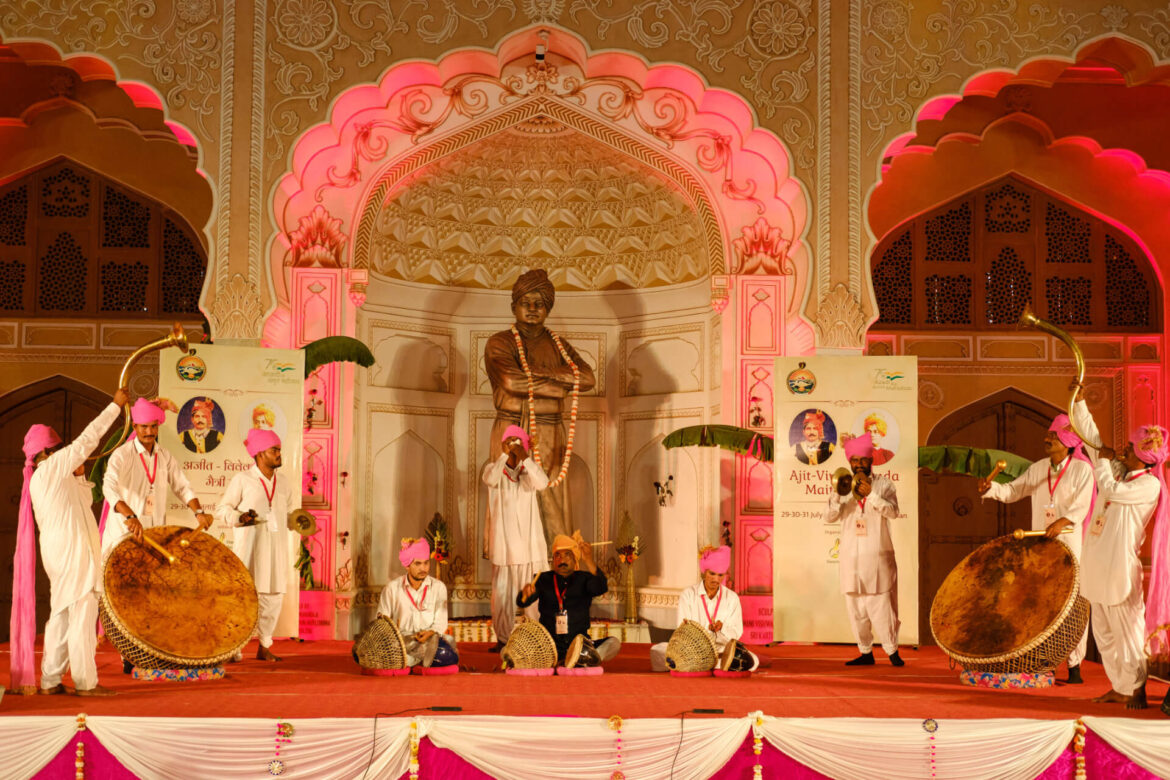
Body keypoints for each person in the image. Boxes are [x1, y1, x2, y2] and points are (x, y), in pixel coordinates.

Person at [10, 388, 128, 697]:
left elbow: (85, 500)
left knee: (62, 612)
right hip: (72, 553)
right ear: (49, 452)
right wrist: (114, 408)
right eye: (61, 447)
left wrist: (78, 475)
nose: (69, 453)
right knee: (82, 611)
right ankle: (86, 683)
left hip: (65, 552)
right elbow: (88, 440)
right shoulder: (49, 469)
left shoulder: (52, 476)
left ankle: (50, 679)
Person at [977, 413, 1095, 683]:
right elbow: (1013, 491)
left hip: (1069, 545)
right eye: (1049, 434)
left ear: (1068, 441)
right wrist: (990, 488)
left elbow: (1082, 505)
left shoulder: (1082, 470)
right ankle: (1046, 660)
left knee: (1073, 607)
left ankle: (1075, 665)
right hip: (1040, 547)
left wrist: (1064, 521)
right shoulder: (1039, 467)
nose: (1047, 438)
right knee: (1042, 604)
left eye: (1053, 436)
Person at [1072, 387, 1168, 710]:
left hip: (1119, 569)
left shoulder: (1148, 485)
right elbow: (1093, 441)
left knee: (1128, 633)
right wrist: (1080, 402)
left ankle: (1137, 688)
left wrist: (1103, 463)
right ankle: (1120, 686)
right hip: (1098, 565)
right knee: (1105, 635)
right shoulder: (1121, 473)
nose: (1123, 451)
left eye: (1129, 448)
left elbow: (1110, 490)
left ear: (1142, 456)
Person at [484, 269, 596, 544]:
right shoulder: (500, 342)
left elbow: (588, 378)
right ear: (514, 306)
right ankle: (516, 576)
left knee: (552, 501)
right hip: (511, 429)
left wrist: (535, 373)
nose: (533, 309)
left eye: (540, 304)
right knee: (513, 501)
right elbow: (512, 382)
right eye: (526, 303)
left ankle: (556, 571)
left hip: (551, 433)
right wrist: (559, 385)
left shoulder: (557, 343)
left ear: (548, 308)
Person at [215, 429, 298, 662]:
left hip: (276, 551)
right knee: (243, 599)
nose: (279, 454)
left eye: (279, 450)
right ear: (260, 454)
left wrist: (299, 521)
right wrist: (240, 518)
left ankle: (265, 645)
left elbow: (289, 513)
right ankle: (234, 647)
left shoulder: (283, 482)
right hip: (250, 550)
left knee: (273, 597)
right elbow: (223, 510)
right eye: (275, 450)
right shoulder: (243, 480)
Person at [822, 433, 904, 666]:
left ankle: (892, 651)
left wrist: (872, 496)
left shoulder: (885, 485)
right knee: (856, 607)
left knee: (882, 606)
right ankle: (865, 652)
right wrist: (837, 495)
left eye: (863, 460)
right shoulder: (842, 486)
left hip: (877, 556)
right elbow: (828, 517)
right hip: (851, 558)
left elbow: (893, 512)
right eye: (854, 460)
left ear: (871, 461)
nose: (858, 464)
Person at [101, 397, 213, 561]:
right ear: (135, 427)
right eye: (144, 427)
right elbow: (109, 487)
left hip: (153, 538)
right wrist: (130, 516)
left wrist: (199, 512)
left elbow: (182, 486)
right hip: (123, 534)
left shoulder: (164, 456)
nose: (149, 432)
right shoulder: (122, 455)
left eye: (153, 426)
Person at [482, 424, 549, 651]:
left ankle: (537, 640)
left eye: (517, 442)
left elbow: (544, 483)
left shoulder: (529, 473)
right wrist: (503, 455)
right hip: (504, 549)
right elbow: (490, 479)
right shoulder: (494, 470)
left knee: (534, 598)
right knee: (501, 599)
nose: (513, 447)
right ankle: (503, 640)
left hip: (531, 549)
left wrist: (526, 459)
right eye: (509, 442)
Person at [517, 532, 620, 668]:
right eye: (557, 555)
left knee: (613, 643)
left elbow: (601, 587)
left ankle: (581, 656)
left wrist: (588, 559)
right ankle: (582, 659)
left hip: (578, 643)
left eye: (567, 555)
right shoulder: (542, 579)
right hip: (549, 645)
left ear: (575, 559)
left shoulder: (584, 578)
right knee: (514, 648)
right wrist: (525, 594)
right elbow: (523, 602)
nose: (562, 560)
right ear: (553, 559)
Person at [650, 545, 758, 672]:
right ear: (704, 571)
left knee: (753, 661)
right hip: (692, 650)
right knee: (657, 651)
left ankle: (703, 665)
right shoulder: (688, 595)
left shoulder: (732, 598)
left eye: (720, 575)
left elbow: (736, 632)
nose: (716, 579)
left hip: (721, 649)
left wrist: (721, 629)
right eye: (712, 574)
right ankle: (713, 665)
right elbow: (682, 627)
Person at [378, 537, 458, 669]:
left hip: (429, 640)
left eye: (426, 563)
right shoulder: (392, 589)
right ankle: (414, 661)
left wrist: (431, 633)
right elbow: (381, 623)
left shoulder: (438, 587)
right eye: (418, 564)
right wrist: (396, 636)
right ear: (407, 565)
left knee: (448, 643)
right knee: (385, 649)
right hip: (402, 641)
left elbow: (441, 622)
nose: (423, 568)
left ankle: (408, 662)